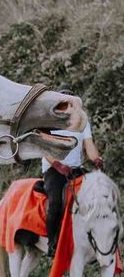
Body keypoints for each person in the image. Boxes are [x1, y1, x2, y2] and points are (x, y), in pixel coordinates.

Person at [42, 84, 103, 258]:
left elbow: (89, 147)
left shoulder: (82, 122)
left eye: (69, 102)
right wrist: (58, 166)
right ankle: (52, 243)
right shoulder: (48, 122)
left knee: (97, 195)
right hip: (54, 169)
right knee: (55, 202)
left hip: (76, 169)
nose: (66, 106)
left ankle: (96, 239)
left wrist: (96, 159)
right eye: (63, 102)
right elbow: (45, 150)